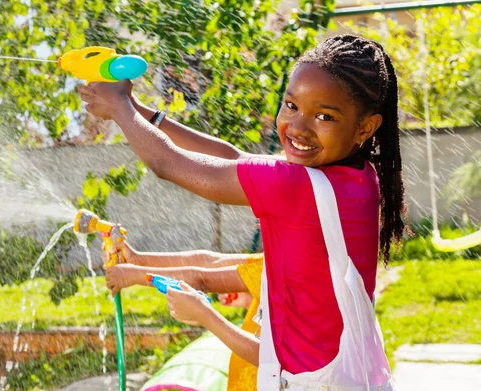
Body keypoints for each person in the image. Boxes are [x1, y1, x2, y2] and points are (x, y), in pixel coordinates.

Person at [79, 34, 405, 388]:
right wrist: (134, 107)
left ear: (366, 127)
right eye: (291, 106)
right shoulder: (355, 178)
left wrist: (119, 110)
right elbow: (233, 157)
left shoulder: (296, 186)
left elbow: (166, 163)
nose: (297, 127)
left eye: (324, 116)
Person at [104, 242, 263, 391]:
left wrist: (136, 275)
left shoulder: (279, 266)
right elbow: (210, 261)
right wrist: (138, 259)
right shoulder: (274, 261)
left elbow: (200, 279)